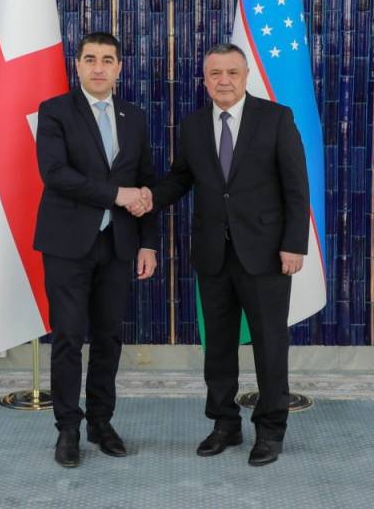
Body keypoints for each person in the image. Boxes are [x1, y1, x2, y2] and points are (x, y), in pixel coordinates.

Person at [132, 43, 309, 466]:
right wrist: (147, 198)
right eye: (215, 73)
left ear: (246, 76)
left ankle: (270, 430)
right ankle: (224, 424)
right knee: (218, 347)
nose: (224, 80)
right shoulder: (193, 126)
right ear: (205, 79)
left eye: (232, 72)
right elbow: (180, 179)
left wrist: (294, 244)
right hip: (213, 255)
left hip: (266, 254)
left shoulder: (276, 118)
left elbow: (296, 186)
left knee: (270, 344)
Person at [33, 31, 157, 468]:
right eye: (90, 59)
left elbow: (145, 182)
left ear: (119, 67)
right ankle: (68, 429)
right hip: (68, 244)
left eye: (107, 60)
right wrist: (117, 195)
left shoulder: (134, 116)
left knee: (108, 337)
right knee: (69, 337)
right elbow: (55, 174)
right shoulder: (55, 111)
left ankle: (102, 423)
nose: (99, 67)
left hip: (118, 244)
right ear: (78, 65)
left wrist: (148, 243)